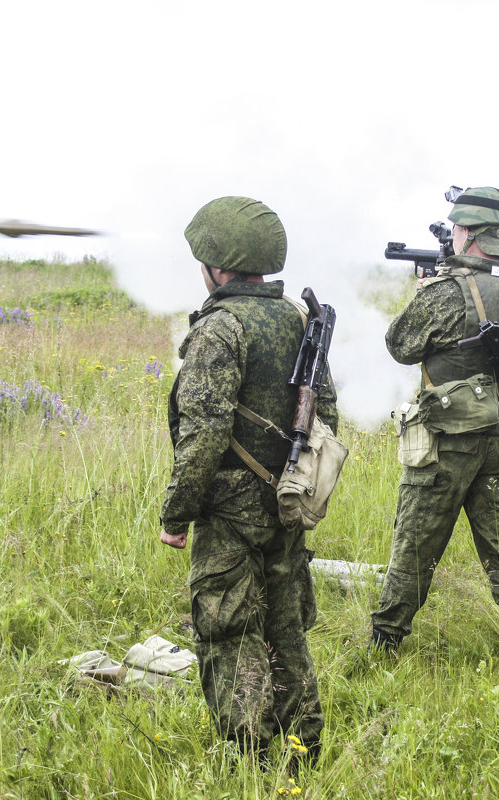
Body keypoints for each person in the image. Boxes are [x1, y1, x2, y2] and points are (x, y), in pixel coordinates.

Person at [159, 196, 338, 765]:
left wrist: (176, 514)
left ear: (216, 264)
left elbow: (204, 436)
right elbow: (324, 406)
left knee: (228, 631)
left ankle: (252, 762)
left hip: (231, 508)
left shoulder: (221, 329)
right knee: (285, 626)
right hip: (287, 497)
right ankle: (302, 749)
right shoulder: (293, 317)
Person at [370, 187, 499, 659]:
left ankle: (386, 640)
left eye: (455, 227)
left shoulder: (449, 291)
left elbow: (400, 345)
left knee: (415, 540)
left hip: (450, 441)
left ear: (467, 231)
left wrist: (428, 288)